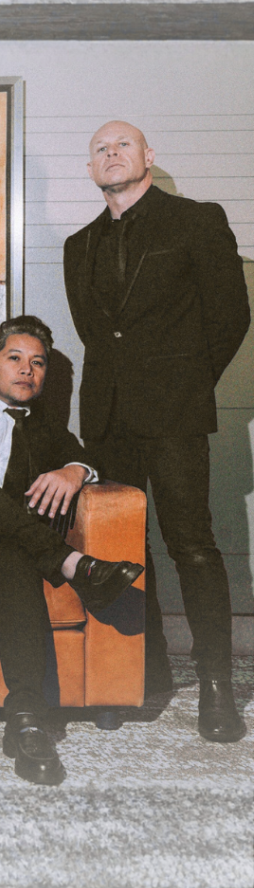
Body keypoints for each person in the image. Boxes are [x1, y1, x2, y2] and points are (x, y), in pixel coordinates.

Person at [64, 121, 250, 742]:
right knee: (121, 548)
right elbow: (96, 334)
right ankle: (141, 672)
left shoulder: (197, 220)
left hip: (174, 414)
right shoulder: (79, 244)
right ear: (91, 168)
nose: (111, 153)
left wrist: (184, 385)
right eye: (101, 148)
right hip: (108, 418)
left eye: (123, 145)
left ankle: (216, 686)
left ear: (149, 156)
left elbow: (231, 316)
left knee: (192, 545)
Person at [0, 315, 145, 785]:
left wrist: (73, 471)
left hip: (2, 542)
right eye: (15, 358)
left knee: (16, 562)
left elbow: (91, 458)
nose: (26, 369)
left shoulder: (47, 430)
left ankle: (26, 719)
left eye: (37, 363)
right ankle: (71, 564)